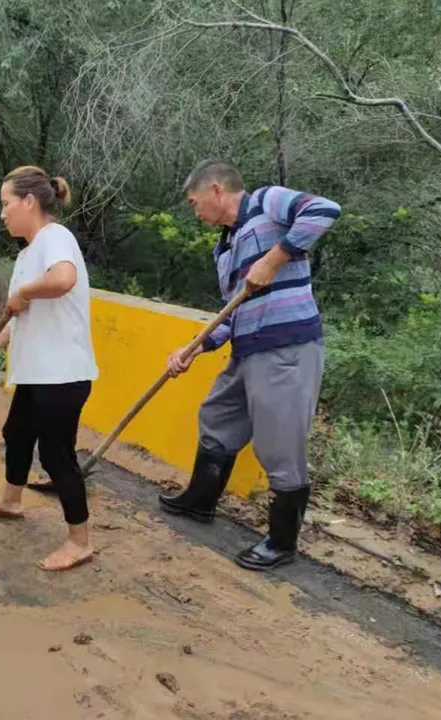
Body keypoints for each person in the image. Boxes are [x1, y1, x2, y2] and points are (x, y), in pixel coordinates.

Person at [160, 159, 340, 571]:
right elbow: (232, 314)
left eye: (194, 202)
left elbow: (325, 210)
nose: (195, 211)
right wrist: (194, 349)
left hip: (286, 348)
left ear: (217, 190)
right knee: (217, 416)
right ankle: (200, 500)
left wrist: (274, 259)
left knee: (278, 445)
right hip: (247, 349)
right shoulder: (223, 247)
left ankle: (282, 542)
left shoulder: (267, 202)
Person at [0, 166, 99, 572]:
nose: (2, 214)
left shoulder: (56, 238)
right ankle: (10, 500)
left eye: (6, 204)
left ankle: (80, 541)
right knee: (16, 434)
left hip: (62, 374)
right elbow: (16, 319)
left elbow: (63, 279)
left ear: (29, 202)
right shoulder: (26, 254)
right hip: (37, 373)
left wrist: (23, 291)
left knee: (57, 458)